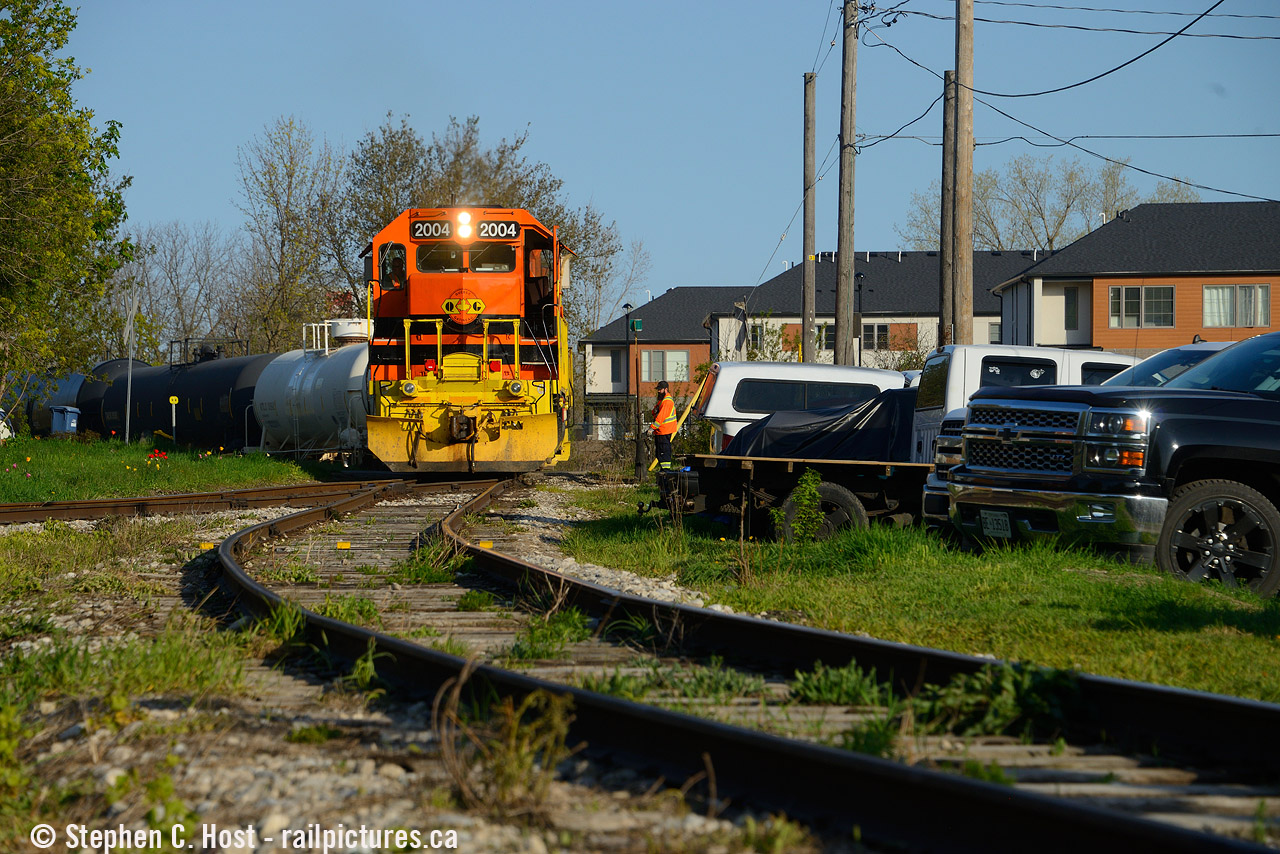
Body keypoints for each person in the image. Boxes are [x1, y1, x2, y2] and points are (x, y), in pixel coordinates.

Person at [648, 380, 679, 470]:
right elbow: (655, 412)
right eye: (658, 389)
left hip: (664, 430)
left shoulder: (667, 401)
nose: (658, 391)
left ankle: (666, 471)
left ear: (666, 389)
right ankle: (664, 470)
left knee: (663, 451)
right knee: (660, 452)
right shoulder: (663, 401)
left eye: (660, 389)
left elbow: (661, 417)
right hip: (661, 431)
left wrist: (652, 428)